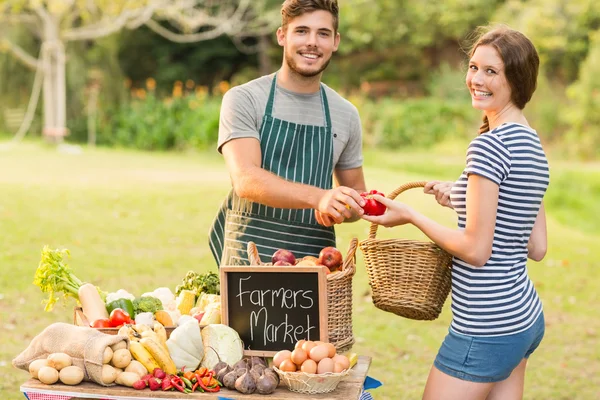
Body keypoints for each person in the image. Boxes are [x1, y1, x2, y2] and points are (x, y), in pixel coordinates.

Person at [362, 26, 549, 400]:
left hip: (485, 327)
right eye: (473, 67)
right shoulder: (531, 141)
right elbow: (535, 244)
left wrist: (411, 215)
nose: (476, 80)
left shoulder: (488, 147)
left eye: (491, 71)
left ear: (517, 79)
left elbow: (476, 250)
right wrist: (463, 197)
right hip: (523, 319)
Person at [209, 0, 366, 267]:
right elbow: (245, 179)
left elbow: (357, 197)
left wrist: (345, 207)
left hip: (315, 263)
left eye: (323, 33)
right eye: (301, 31)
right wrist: (320, 197)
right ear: (282, 36)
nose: (312, 42)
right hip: (250, 259)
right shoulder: (245, 99)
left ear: (335, 41)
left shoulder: (346, 113)